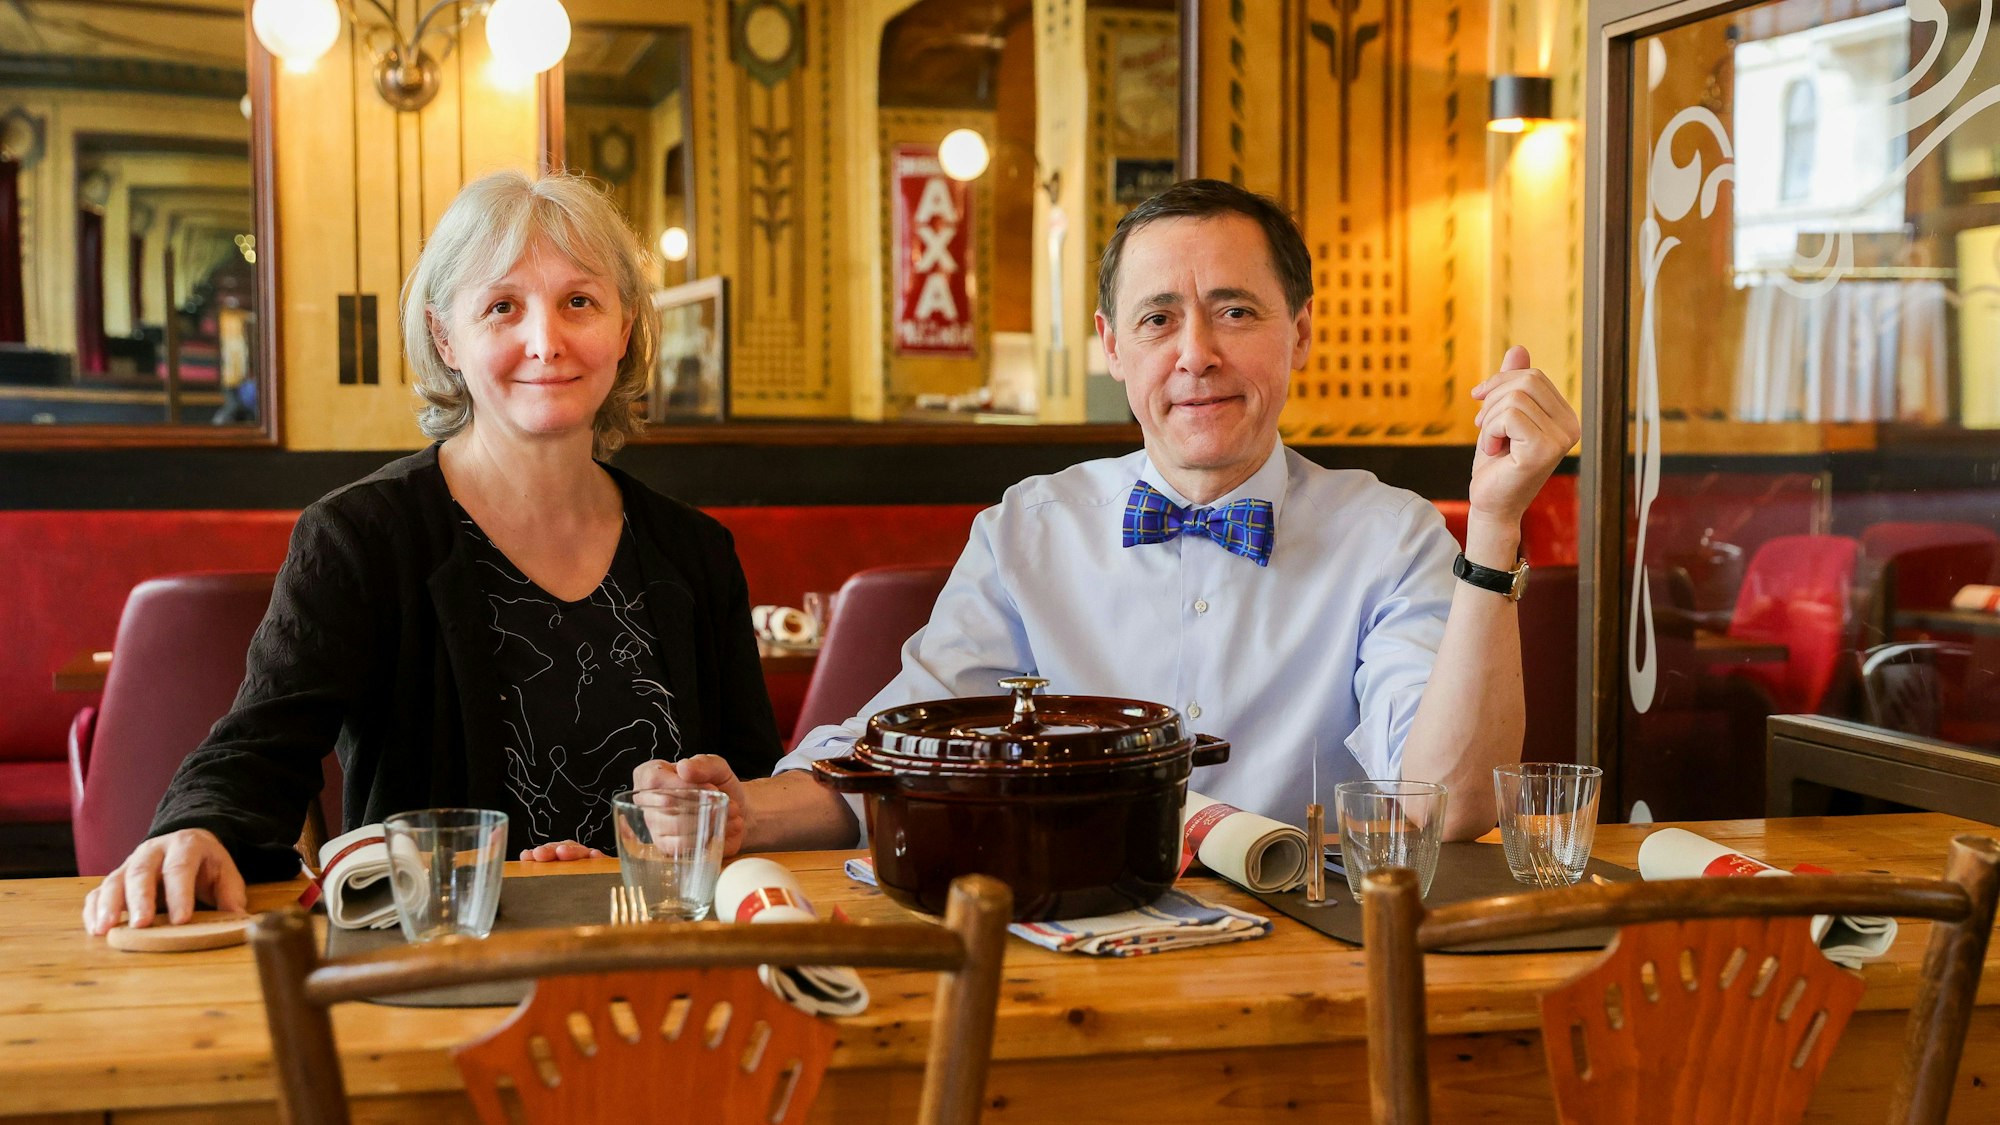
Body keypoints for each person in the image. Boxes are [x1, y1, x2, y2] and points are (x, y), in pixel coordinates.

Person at [639, 177, 1581, 850]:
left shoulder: (1393, 533)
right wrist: (740, 813)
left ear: (1299, 332)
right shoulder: (1028, 530)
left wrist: (1494, 525)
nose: (1196, 352)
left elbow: (1452, 805)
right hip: (1072, 950)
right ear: (1112, 347)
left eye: (1237, 312)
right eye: (1158, 317)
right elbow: (900, 749)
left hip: (1315, 963)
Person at [83, 171, 784, 934]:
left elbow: (753, 787)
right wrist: (193, 828)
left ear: (624, 329)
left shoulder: (696, 551)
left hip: (664, 961)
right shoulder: (361, 536)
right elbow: (262, 745)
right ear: (446, 337)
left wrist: (705, 819)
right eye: (502, 307)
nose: (545, 340)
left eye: (579, 301)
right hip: (439, 964)